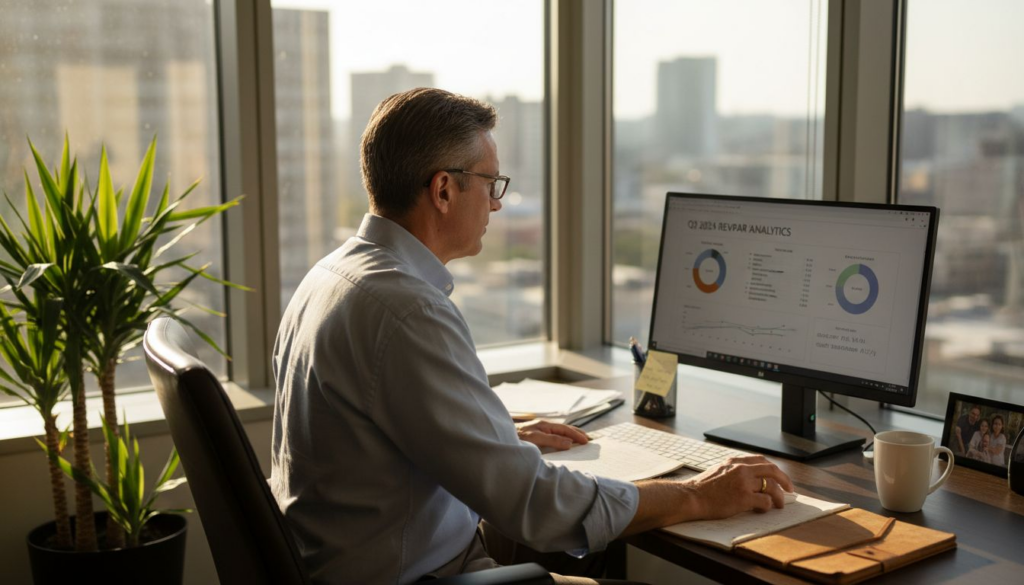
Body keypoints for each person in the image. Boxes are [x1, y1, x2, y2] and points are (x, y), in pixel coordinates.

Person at [270, 87, 793, 585]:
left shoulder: (329, 278)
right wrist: (699, 495)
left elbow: (369, 443)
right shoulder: (410, 311)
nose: (498, 205)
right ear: (444, 189)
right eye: (492, 184)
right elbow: (537, 509)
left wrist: (488, 442)